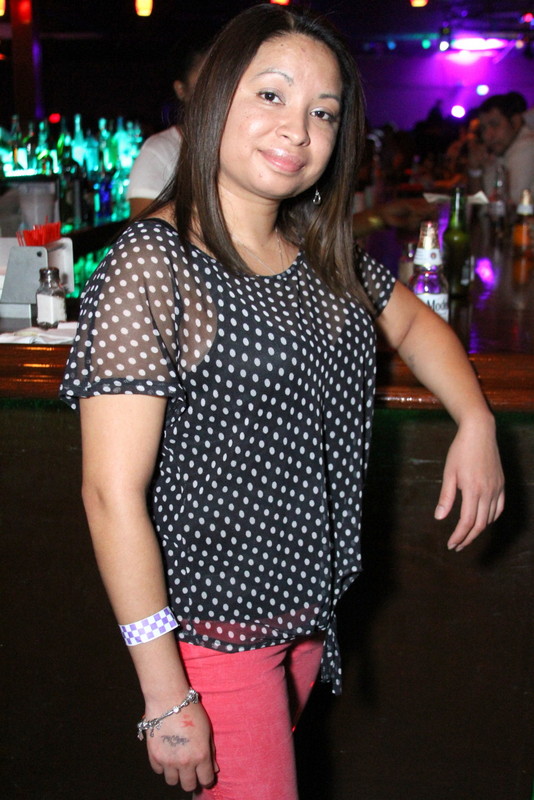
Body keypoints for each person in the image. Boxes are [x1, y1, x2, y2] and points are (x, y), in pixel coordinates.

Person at [60, 5, 505, 798]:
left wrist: (475, 419)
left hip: (304, 617)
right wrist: (166, 695)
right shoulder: (155, 261)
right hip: (215, 633)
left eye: (323, 113)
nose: (297, 129)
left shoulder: (314, 247)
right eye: (271, 94)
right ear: (212, 100)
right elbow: (109, 493)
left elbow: (414, 324)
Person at [126, 40, 210, 218]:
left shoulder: (239, 146)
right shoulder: (159, 151)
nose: (213, 91)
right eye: (203, 82)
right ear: (181, 90)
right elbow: (144, 230)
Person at [466, 91, 534, 206]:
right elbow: (484, 206)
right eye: (483, 128)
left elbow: (507, 208)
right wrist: (475, 170)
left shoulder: (527, 146)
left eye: (494, 124)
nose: (487, 135)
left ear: (515, 122)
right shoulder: (503, 149)